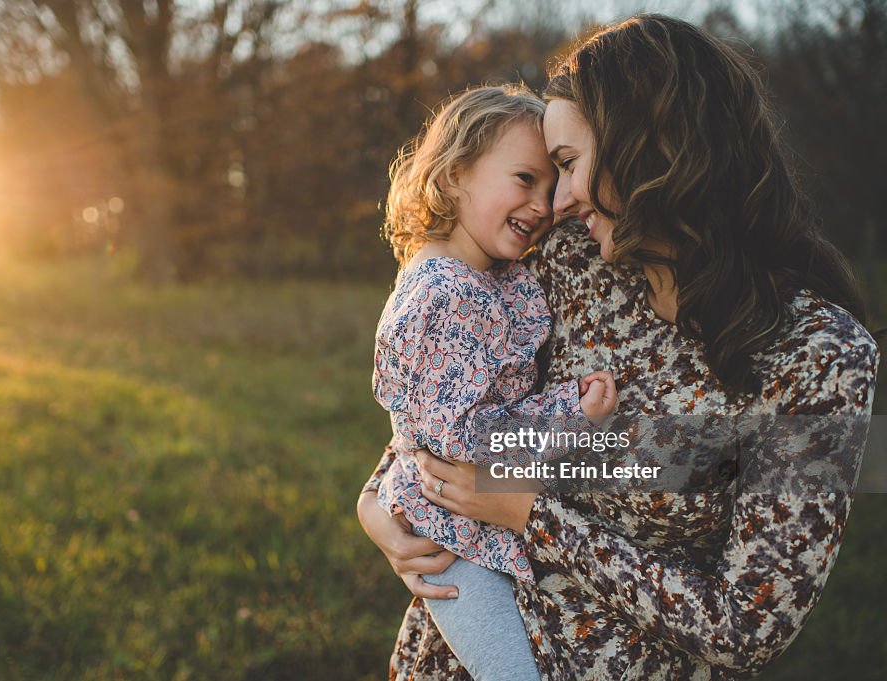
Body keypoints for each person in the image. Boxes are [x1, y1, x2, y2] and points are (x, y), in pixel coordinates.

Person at [357, 14, 880, 680]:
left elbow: (746, 625)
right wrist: (376, 501)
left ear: (655, 149)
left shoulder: (821, 356)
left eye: (569, 165)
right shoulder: (568, 264)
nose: (559, 201)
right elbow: (451, 399)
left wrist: (529, 514)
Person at [373, 84, 617, 681]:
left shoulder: (488, 276)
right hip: (453, 541)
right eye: (525, 179)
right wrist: (570, 412)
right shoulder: (443, 294)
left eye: (551, 180)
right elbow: (461, 441)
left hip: (469, 524)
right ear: (455, 175)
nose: (545, 201)